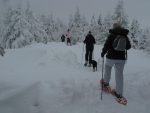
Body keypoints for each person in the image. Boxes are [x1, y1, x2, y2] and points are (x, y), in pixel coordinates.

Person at [100, 23, 131, 104]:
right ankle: (119, 94)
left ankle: (106, 84)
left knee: (108, 69)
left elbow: (106, 45)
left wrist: (103, 52)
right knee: (119, 75)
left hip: (111, 57)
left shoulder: (112, 34)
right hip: (121, 59)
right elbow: (128, 47)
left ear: (114, 27)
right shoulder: (124, 35)